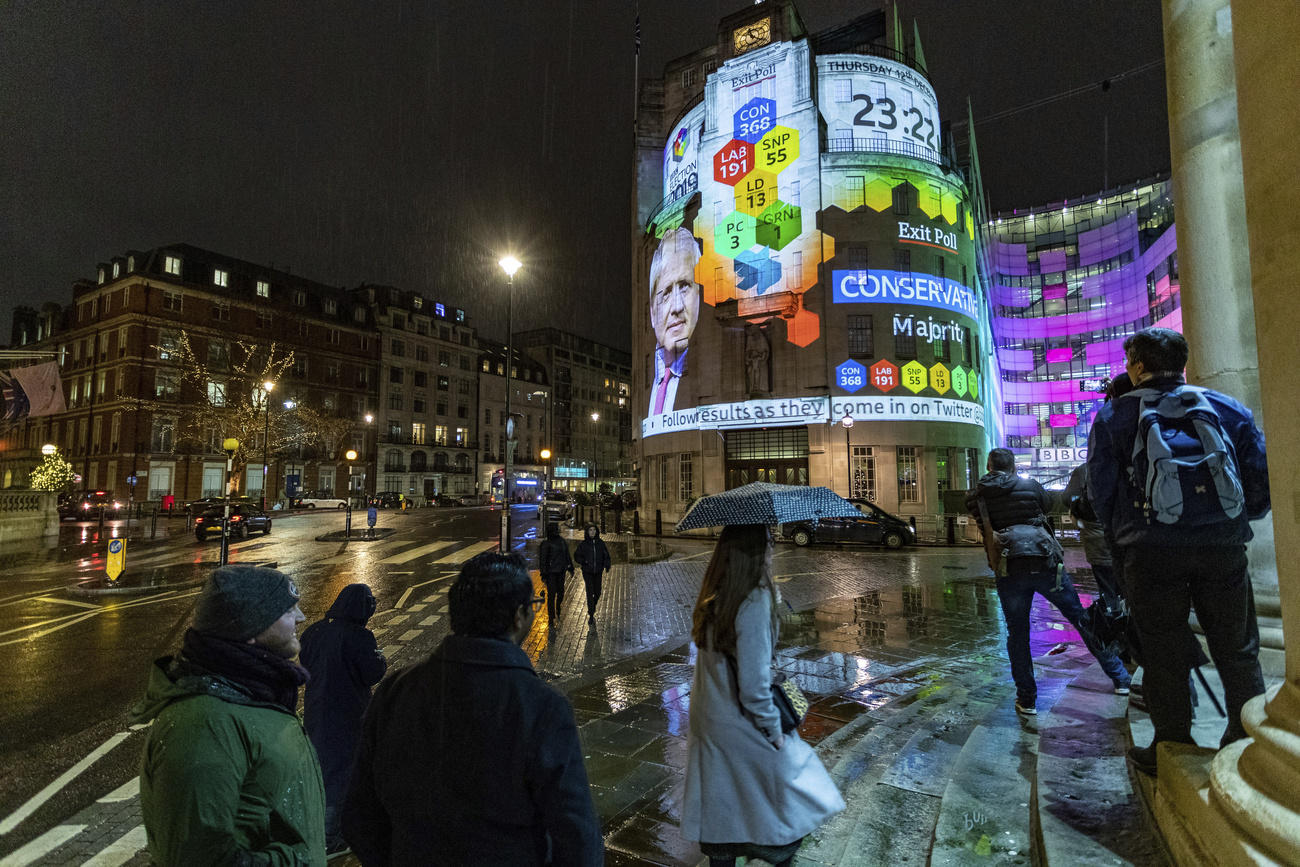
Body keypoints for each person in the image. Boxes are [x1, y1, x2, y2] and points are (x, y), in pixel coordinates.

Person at [341, 552, 602, 866]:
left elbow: (358, 814)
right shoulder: (542, 706)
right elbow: (577, 838)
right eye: (534, 605)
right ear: (519, 616)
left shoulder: (396, 690)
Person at [1087, 327, 1268, 776]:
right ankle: (1245, 735)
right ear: (1183, 362)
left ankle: (1172, 742)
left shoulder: (1114, 417)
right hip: (1221, 548)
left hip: (1149, 552)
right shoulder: (1226, 409)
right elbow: (1260, 484)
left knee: (1163, 648)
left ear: (1138, 366)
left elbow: (1101, 495)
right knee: (1238, 646)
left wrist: (1121, 544)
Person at [132, 565, 325, 865]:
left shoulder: (255, 696)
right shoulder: (205, 723)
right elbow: (198, 858)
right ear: (248, 630)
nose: (300, 617)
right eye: (287, 611)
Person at [681, 525, 844, 867]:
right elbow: (754, 686)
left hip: (711, 721)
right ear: (754, 550)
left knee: (722, 819)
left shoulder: (715, 591)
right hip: (742, 722)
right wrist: (773, 730)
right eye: (769, 540)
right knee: (785, 812)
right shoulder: (753, 598)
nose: (774, 546)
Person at [966, 448, 1131, 716]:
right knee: (1080, 618)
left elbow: (983, 523)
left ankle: (1027, 698)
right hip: (1045, 562)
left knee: (1017, 633)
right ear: (1013, 468)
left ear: (988, 467)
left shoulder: (976, 495)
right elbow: (1047, 506)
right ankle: (1120, 677)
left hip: (1010, 566)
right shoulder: (1030, 486)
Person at [300, 583, 388, 857]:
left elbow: (304, 662)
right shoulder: (359, 637)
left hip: (316, 710)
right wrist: (380, 660)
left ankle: (314, 826)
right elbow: (372, 673)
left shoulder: (314, 631)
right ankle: (331, 836)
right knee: (343, 771)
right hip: (349, 713)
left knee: (321, 767)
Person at [648, 226, 702, 415]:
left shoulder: (707, 374)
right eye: (666, 293)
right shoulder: (647, 382)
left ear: (699, 295)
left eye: (685, 286)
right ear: (653, 313)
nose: (677, 306)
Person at [573, 523, 611, 626]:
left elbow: (606, 555)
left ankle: (592, 607)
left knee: (598, 592)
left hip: (598, 571)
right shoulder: (584, 544)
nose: (592, 532)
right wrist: (584, 562)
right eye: (590, 530)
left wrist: (607, 564)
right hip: (587, 572)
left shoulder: (600, 543)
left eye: (594, 530)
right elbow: (576, 556)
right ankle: (591, 614)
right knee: (590, 592)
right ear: (587, 532)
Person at [537, 521, 573, 628]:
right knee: (551, 595)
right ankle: (551, 617)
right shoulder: (546, 543)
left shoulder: (561, 541)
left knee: (561, 592)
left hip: (561, 571)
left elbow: (567, 554)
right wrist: (543, 574)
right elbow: (543, 560)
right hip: (551, 573)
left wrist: (570, 566)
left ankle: (558, 606)